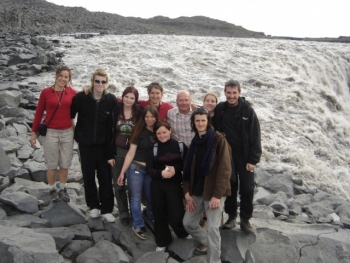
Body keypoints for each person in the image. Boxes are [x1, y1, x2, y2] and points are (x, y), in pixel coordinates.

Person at [182, 107, 231, 263]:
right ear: (194, 123)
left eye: (203, 120)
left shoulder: (219, 140)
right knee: (188, 223)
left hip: (213, 193)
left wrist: (217, 195)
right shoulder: (195, 142)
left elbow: (225, 170)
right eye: (197, 121)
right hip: (196, 191)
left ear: (208, 122)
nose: (200, 123)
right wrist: (186, 193)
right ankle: (209, 244)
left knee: (212, 229)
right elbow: (188, 170)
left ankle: (214, 260)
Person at [212, 79, 262, 233]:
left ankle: (245, 220)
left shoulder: (248, 111)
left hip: (245, 157)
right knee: (231, 186)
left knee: (247, 188)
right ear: (225, 93)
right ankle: (232, 216)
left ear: (239, 93)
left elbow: (255, 136)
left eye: (234, 93)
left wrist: (253, 159)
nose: (231, 96)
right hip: (227, 156)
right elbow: (208, 120)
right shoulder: (221, 108)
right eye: (228, 93)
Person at [70, 68, 117, 223]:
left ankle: (107, 209)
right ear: (92, 81)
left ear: (106, 83)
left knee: (105, 177)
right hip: (86, 145)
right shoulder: (81, 97)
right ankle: (93, 207)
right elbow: (69, 113)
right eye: (97, 81)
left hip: (103, 146)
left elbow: (129, 104)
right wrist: (78, 134)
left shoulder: (110, 100)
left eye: (103, 82)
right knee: (88, 176)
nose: (100, 84)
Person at [30, 65, 76, 202]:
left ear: (69, 79)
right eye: (61, 75)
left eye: (66, 77)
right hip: (50, 132)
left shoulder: (72, 93)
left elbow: (83, 103)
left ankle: (63, 188)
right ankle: (52, 189)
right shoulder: (46, 92)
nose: (63, 79)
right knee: (51, 164)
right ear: (56, 76)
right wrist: (33, 133)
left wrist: (87, 90)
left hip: (68, 132)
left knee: (65, 163)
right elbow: (39, 113)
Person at [146, 120, 189, 252]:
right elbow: (149, 169)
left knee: (176, 213)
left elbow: (187, 164)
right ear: (155, 135)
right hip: (158, 184)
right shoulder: (153, 148)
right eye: (159, 133)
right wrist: (161, 173)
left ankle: (182, 233)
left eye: (164, 132)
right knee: (159, 213)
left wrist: (175, 169)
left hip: (174, 184)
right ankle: (163, 240)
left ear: (170, 131)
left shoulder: (180, 146)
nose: (162, 135)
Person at [117, 105, 159, 240]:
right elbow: (130, 153)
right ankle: (138, 224)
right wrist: (122, 173)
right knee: (135, 197)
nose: (150, 119)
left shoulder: (160, 131)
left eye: (152, 117)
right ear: (144, 118)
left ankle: (152, 217)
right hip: (136, 168)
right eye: (147, 117)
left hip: (151, 170)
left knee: (151, 195)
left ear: (156, 117)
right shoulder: (138, 131)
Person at [107, 86, 143, 226]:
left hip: (135, 152)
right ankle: (123, 213)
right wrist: (110, 155)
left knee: (134, 185)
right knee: (119, 184)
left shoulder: (139, 112)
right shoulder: (116, 110)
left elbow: (153, 107)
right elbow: (109, 133)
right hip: (118, 152)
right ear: (122, 97)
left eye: (132, 98)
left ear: (136, 100)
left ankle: (136, 212)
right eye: (126, 96)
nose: (128, 100)